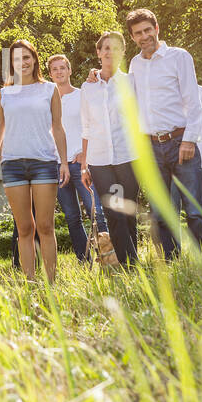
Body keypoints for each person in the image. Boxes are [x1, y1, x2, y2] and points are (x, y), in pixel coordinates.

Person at [0, 40, 68, 282]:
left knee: (46, 227)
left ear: (34, 59)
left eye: (26, 57)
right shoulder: (5, 93)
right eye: (17, 59)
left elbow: (58, 128)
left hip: (44, 162)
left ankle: (51, 281)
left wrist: (65, 163)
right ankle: (30, 280)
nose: (23, 62)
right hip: (13, 165)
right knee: (25, 228)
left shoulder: (49, 89)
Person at [124, 8, 202, 257]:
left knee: (193, 209)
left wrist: (190, 140)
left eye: (148, 30)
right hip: (151, 146)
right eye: (138, 33)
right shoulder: (135, 64)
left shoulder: (179, 57)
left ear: (157, 29)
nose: (144, 36)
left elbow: (193, 102)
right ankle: (170, 260)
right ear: (132, 37)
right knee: (160, 212)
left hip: (180, 140)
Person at [78, 31, 141, 267]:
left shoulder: (132, 82)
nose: (110, 52)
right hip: (100, 160)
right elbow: (86, 127)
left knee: (128, 212)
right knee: (114, 213)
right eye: (105, 48)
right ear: (98, 52)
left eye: (115, 48)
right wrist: (84, 165)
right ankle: (128, 265)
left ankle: (132, 261)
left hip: (129, 157)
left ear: (123, 52)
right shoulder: (88, 87)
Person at [48, 53, 109, 263]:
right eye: (54, 69)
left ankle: (108, 258)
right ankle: (85, 262)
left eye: (62, 68)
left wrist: (86, 154)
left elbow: (94, 124)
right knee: (72, 218)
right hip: (56, 165)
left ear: (70, 70)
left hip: (79, 162)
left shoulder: (81, 94)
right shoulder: (46, 99)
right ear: (50, 74)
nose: (58, 72)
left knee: (96, 213)